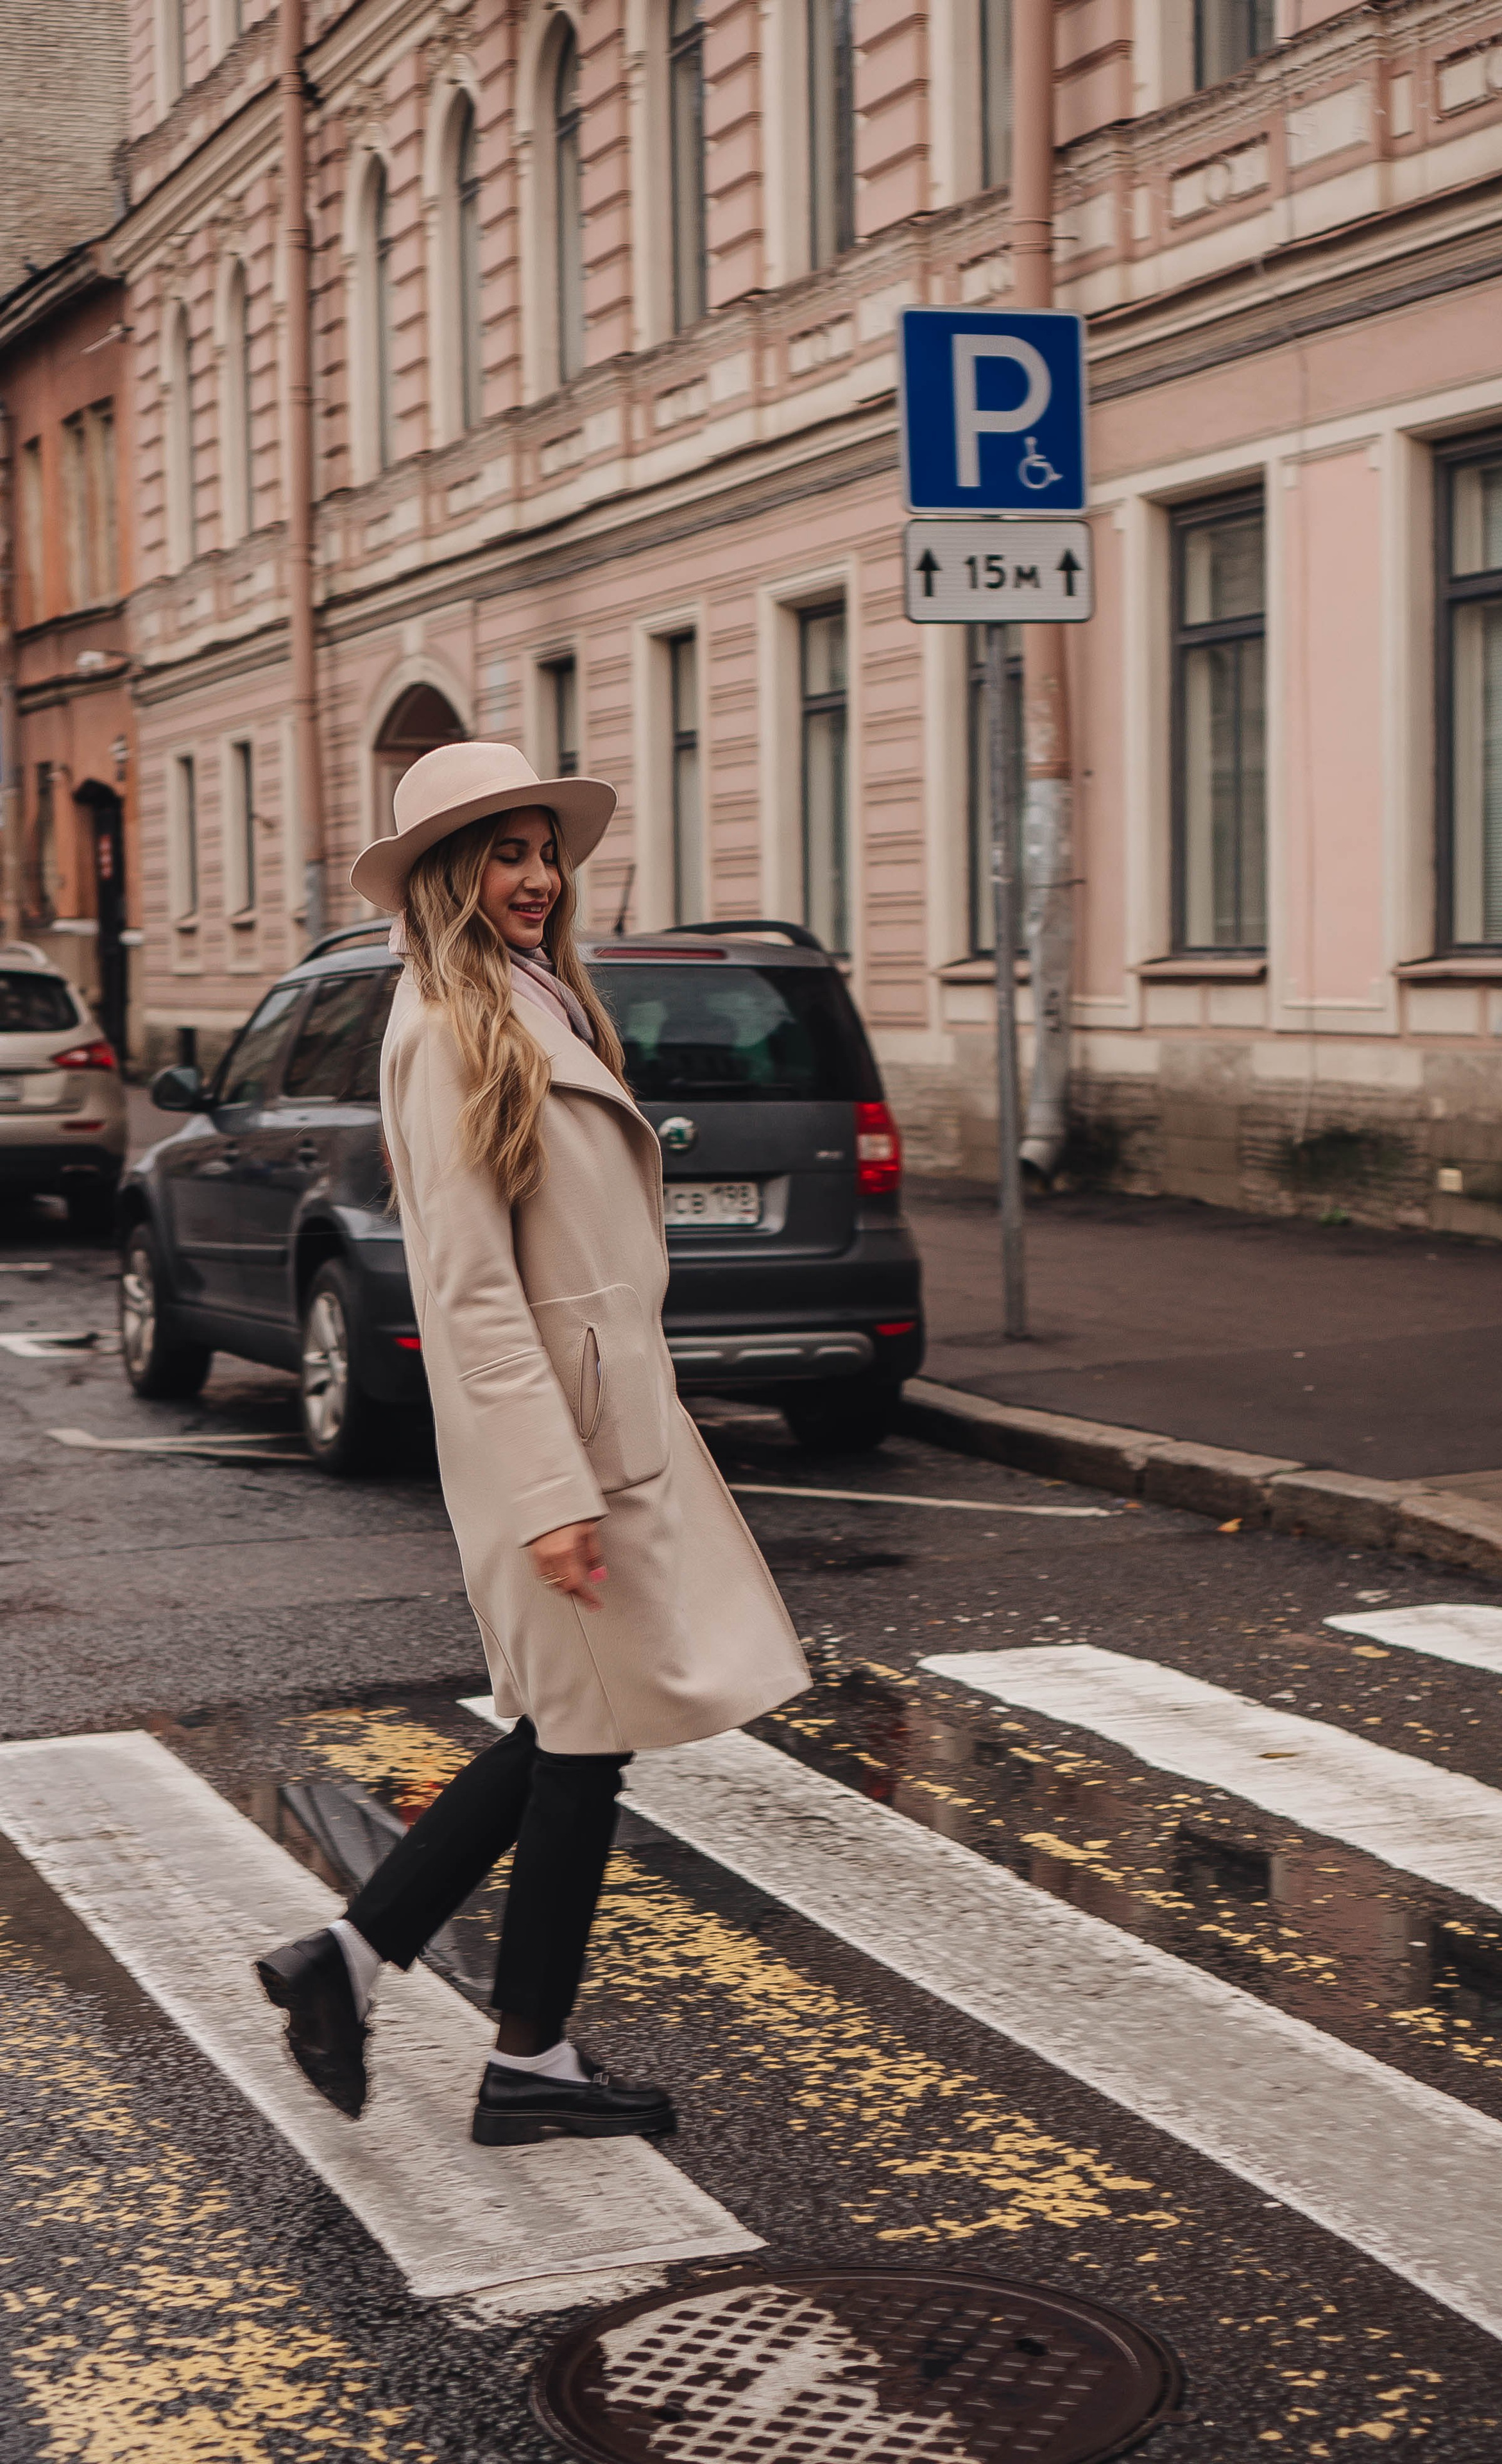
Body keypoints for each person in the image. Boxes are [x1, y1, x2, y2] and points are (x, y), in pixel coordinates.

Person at [256, 740, 810, 2145]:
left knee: (576, 1739)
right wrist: (550, 1491)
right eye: (503, 854)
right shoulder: (446, 1026)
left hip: (602, 1426)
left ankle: (400, 1988)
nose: (535, 877)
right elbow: (466, 1284)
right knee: (581, 1737)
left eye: (542, 851)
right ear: (449, 875)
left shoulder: (535, 1002)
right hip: (553, 1449)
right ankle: (492, 2043)